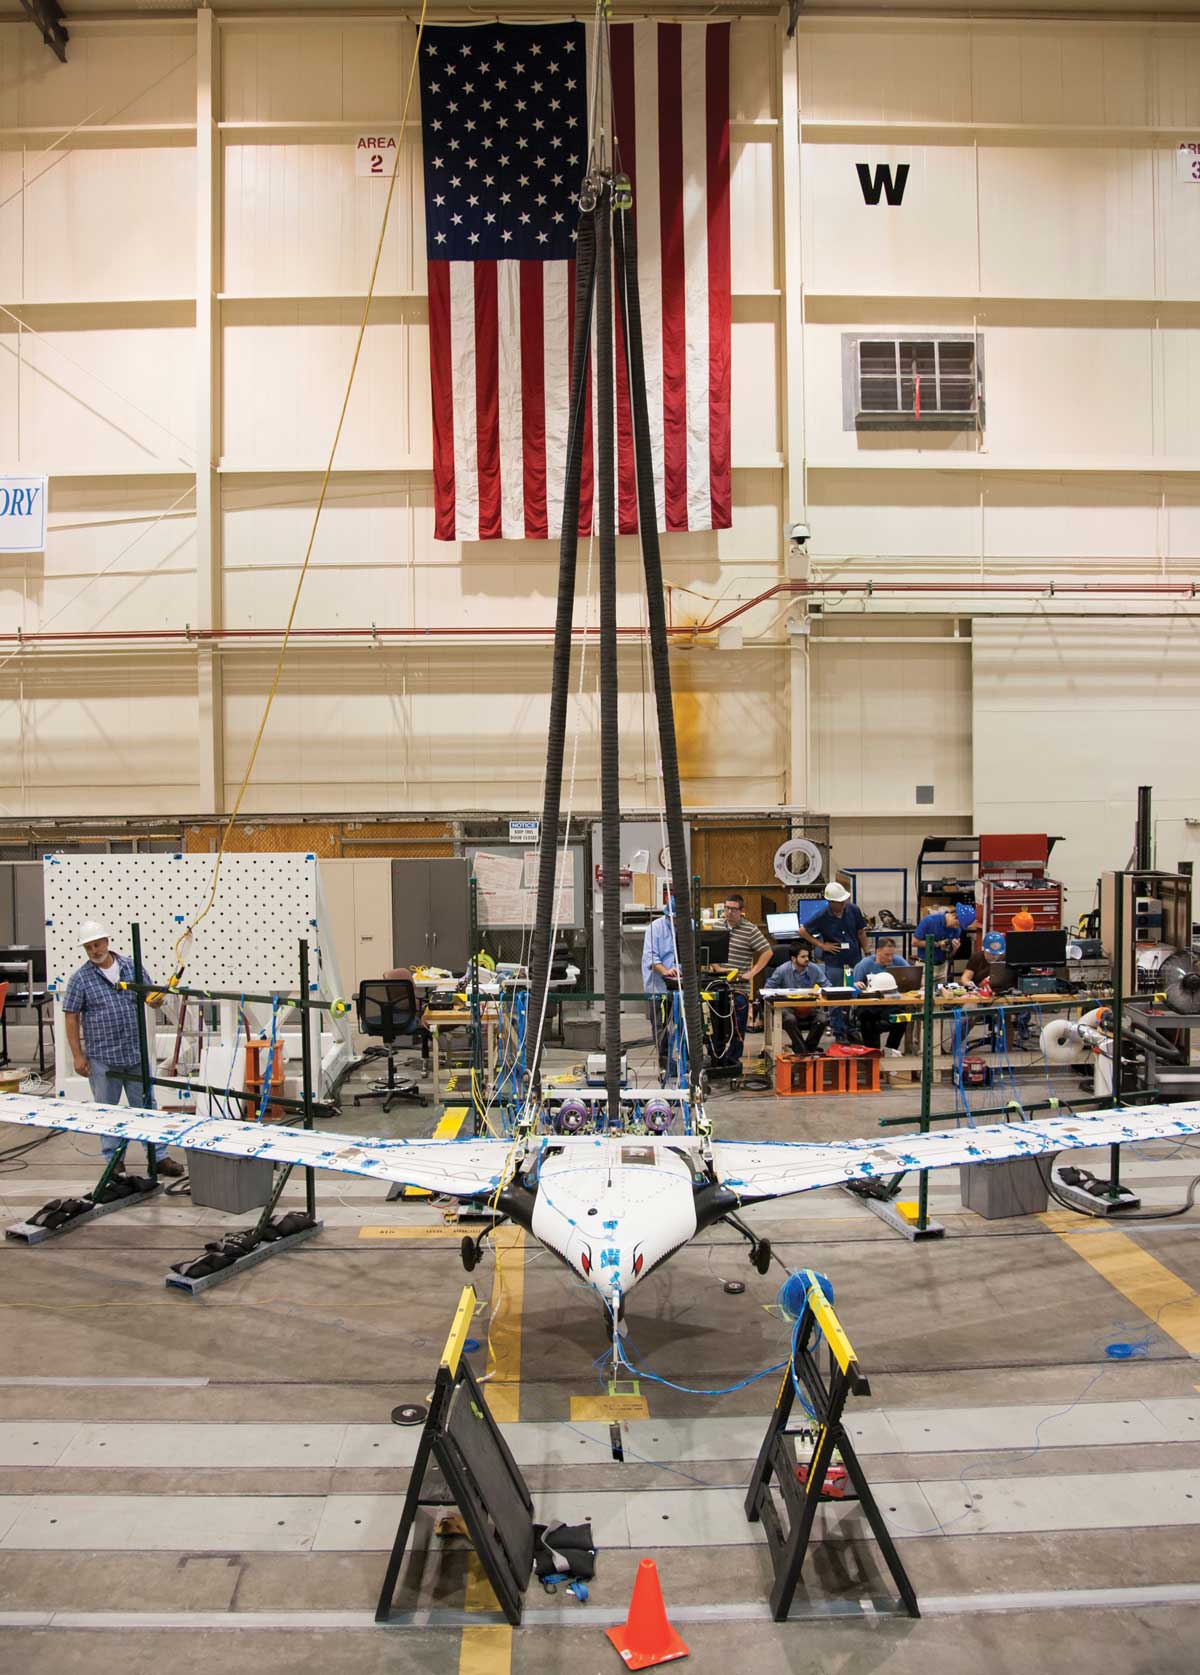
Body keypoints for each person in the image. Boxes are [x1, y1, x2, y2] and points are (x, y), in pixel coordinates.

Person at [63, 920, 183, 1178]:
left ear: (107, 941)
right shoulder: (80, 979)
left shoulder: (132, 967)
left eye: (97, 944)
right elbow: (71, 1017)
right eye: (88, 947)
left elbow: (149, 1000)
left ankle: (158, 1157)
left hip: (135, 1051)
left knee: (146, 1106)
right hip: (102, 1057)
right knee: (107, 1110)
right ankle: (114, 1160)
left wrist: (157, 1000)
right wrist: (77, 1056)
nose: (94, 950)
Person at [799, 881, 870, 1041]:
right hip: (834, 961)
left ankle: (851, 1028)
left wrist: (867, 952)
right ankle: (839, 1031)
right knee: (836, 996)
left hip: (854, 958)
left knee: (855, 993)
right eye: (839, 902)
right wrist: (821, 945)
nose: (843, 904)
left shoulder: (853, 910)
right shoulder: (822, 915)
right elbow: (802, 930)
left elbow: (860, 932)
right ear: (831, 902)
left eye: (844, 901)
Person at [714, 893, 772, 1068]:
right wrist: (716, 967)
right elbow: (709, 950)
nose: (729, 912)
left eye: (733, 909)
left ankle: (732, 1060)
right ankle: (718, 1057)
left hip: (739, 987)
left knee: (737, 1026)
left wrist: (751, 973)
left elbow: (767, 952)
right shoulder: (718, 927)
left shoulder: (750, 930)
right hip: (718, 985)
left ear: (741, 911)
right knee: (716, 1024)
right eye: (727, 908)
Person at [764, 944, 831, 1056]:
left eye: (808, 956)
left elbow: (827, 986)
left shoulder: (814, 969)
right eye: (803, 957)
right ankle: (804, 1052)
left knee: (822, 1019)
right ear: (793, 959)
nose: (807, 959)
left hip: (808, 1006)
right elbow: (768, 988)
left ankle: (805, 1050)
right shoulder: (782, 970)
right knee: (789, 1019)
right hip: (788, 1007)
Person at [641, 899, 681, 1078]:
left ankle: (685, 1062)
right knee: (661, 1027)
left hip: (681, 986)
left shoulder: (690, 927)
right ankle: (664, 1064)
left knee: (683, 1025)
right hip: (658, 987)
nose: (675, 922)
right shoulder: (654, 929)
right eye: (672, 918)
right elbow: (651, 958)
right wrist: (666, 971)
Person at [913, 902, 976, 971]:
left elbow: (949, 956)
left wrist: (954, 949)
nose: (957, 927)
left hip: (943, 967)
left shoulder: (957, 929)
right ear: (954, 915)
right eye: (957, 924)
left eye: (960, 926)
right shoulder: (929, 921)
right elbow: (914, 942)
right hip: (925, 965)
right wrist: (938, 944)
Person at [857, 970, 906, 1055]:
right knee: (867, 1019)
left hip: (888, 1013)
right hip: (870, 1016)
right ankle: (873, 1053)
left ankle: (890, 1051)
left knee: (902, 1018)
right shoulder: (865, 965)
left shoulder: (892, 996)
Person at [964, 931, 1016, 997]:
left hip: (1003, 993)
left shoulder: (1008, 958)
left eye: (997, 954)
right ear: (984, 949)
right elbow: (965, 977)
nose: (994, 956)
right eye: (990, 954)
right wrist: (968, 983)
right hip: (979, 993)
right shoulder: (976, 957)